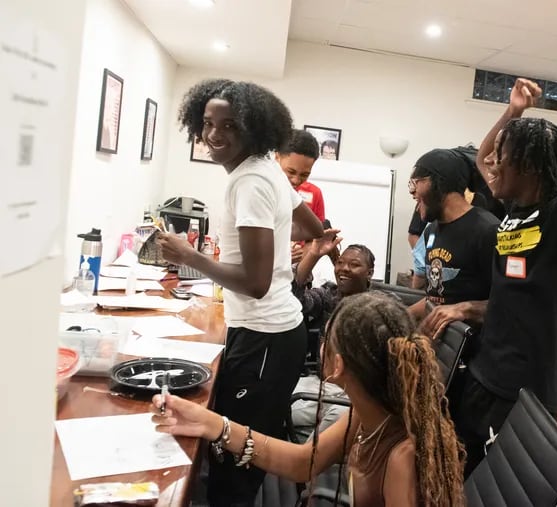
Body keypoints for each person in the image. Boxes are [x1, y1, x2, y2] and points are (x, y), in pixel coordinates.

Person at [450, 25, 557, 477]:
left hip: (526, 390)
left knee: (500, 487)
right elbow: (481, 160)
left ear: (527, 164)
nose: (494, 163)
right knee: (466, 478)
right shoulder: (513, 210)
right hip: (486, 371)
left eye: (506, 155)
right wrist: (512, 112)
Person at [157, 78, 324, 505]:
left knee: (236, 457)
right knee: (236, 447)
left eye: (229, 126)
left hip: (265, 336)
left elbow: (255, 282)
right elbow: (314, 229)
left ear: (254, 128)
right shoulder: (265, 169)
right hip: (272, 333)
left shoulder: (250, 181)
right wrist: (279, 243)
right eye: (208, 123)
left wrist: (188, 255)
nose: (214, 135)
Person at [152, 292, 465, 507]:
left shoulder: (401, 457)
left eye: (325, 339)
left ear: (337, 365)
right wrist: (213, 424)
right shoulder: (369, 413)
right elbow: (303, 463)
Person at [406, 148, 501, 339]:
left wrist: (465, 309)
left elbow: (509, 303)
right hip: (439, 352)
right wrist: (398, 316)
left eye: (415, 183)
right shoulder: (432, 230)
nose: (413, 192)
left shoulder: (487, 231)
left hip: (473, 354)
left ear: (439, 182)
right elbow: (437, 298)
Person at [290, 234, 375, 442]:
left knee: (315, 447)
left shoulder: (377, 309)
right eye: (340, 262)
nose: (344, 268)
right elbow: (296, 301)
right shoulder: (330, 294)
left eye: (354, 265)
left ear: (369, 273)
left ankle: (302, 460)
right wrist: (312, 257)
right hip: (319, 383)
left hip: (352, 393)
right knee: (267, 408)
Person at [276, 129, 326, 222]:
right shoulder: (263, 187)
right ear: (277, 157)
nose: (296, 180)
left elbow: (317, 230)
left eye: (304, 175)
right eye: (291, 172)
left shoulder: (315, 193)